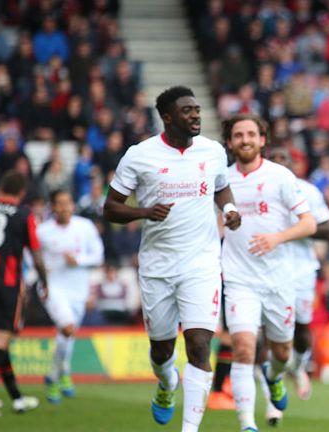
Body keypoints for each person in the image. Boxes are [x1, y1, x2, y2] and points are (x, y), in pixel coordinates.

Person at [103, 85, 241, 432]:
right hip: (157, 266)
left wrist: (228, 207)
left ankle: (189, 428)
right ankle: (166, 384)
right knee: (162, 351)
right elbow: (110, 208)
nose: (196, 115)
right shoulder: (140, 155)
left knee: (198, 344)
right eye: (187, 111)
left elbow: (221, 185)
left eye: (197, 109)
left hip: (202, 264)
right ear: (167, 117)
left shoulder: (212, 151)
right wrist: (145, 211)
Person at [221, 114, 316, 432]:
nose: (244, 139)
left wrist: (276, 238)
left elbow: (309, 223)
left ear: (262, 140)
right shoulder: (221, 181)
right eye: (238, 135)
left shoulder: (280, 176)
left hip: (278, 279)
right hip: (238, 278)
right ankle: (247, 422)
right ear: (231, 142)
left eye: (251, 134)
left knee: (282, 351)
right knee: (244, 348)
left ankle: (274, 376)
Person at [0, 170, 49, 417]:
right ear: (22, 192)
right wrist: (45, 281)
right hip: (8, 286)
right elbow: (35, 254)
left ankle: (16, 397)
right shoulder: (24, 214)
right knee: (1, 342)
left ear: (2, 186)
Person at [267, 148, 329, 414]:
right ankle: (274, 397)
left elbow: (328, 231)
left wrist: (300, 227)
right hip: (268, 269)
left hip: (301, 270)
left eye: (285, 160)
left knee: (302, 330)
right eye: (275, 160)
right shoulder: (260, 190)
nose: (280, 165)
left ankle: (298, 364)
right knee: (269, 334)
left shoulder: (307, 191)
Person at [38, 189, 104, 403]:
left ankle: (56, 373)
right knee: (67, 328)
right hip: (53, 288)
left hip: (78, 289)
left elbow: (98, 254)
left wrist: (79, 260)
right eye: (59, 203)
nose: (64, 207)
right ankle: (60, 375)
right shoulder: (43, 231)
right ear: (53, 207)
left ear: (73, 205)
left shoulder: (85, 227)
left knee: (67, 334)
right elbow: (31, 257)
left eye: (68, 202)